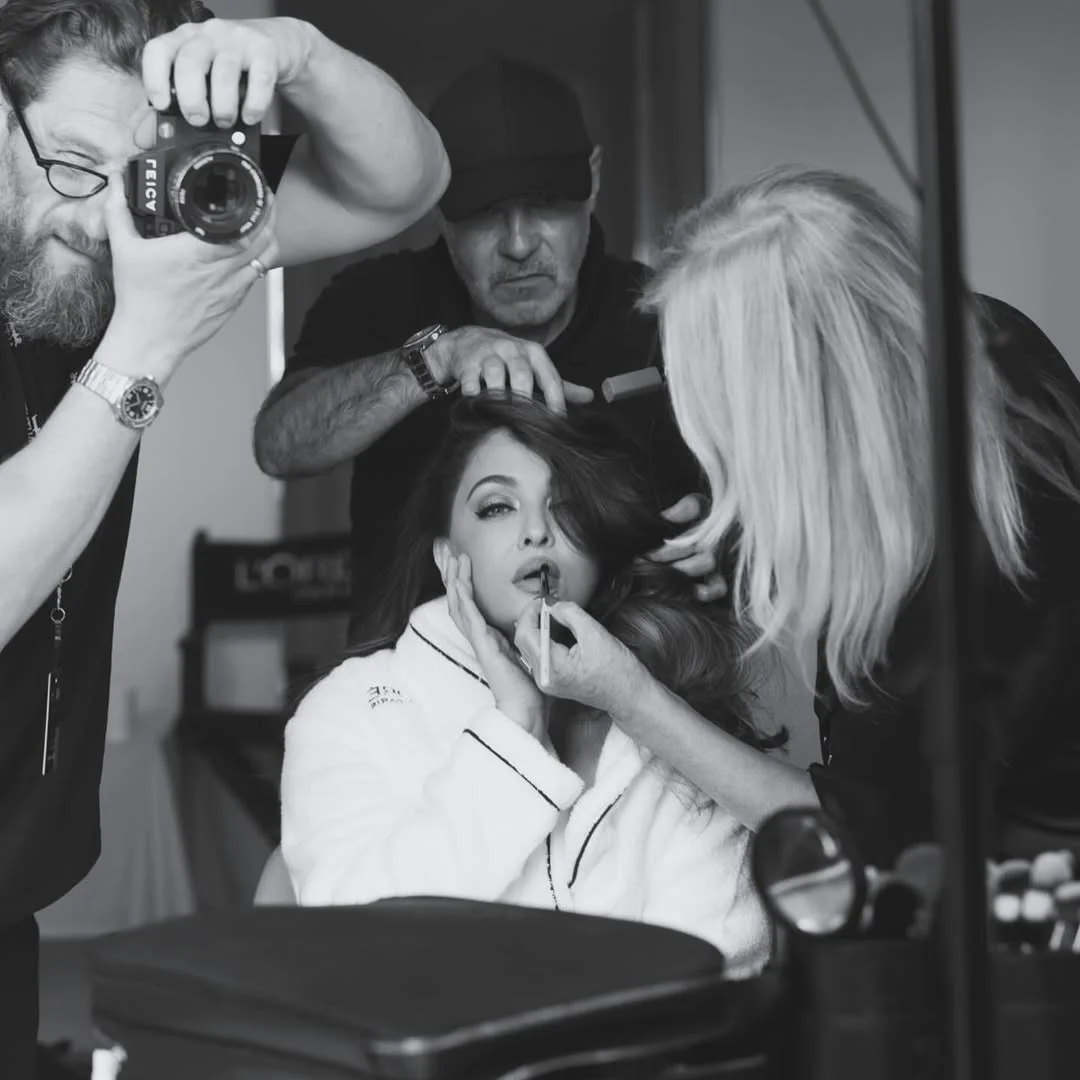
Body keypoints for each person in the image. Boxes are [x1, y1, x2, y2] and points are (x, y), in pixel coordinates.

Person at [0, 0, 449, 1071]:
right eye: (68, 164)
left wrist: (295, 50)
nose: (95, 221)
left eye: (129, 183)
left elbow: (405, 183)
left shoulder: (97, 251)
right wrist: (147, 345)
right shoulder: (122, 308)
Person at [507, 164, 1080, 869]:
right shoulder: (981, 342)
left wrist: (630, 697)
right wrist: (746, 524)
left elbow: (858, 839)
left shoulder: (971, 571)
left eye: (718, 402)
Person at [280, 394, 783, 978]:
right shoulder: (350, 709)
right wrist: (515, 725)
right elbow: (354, 945)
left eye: (567, 508)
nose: (537, 533)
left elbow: (716, 970)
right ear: (448, 553)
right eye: (497, 507)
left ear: (602, 545)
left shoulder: (673, 711)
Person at [251, 56, 723, 633]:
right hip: (408, 685)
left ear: (593, 180)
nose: (520, 244)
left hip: (627, 681)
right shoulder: (375, 299)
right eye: (484, 214)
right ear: (440, 211)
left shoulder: (662, 314)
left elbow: (755, 504)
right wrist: (434, 360)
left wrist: (722, 537)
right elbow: (279, 446)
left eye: (547, 206)